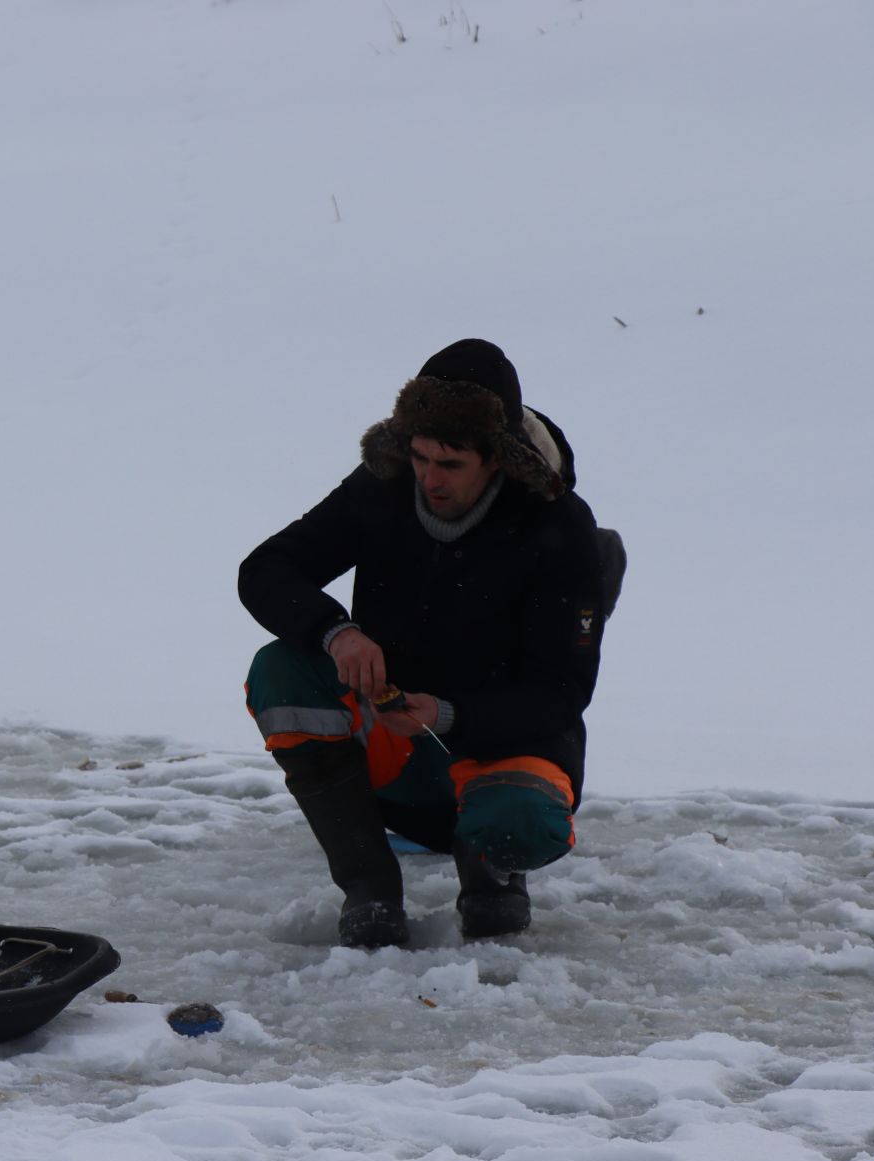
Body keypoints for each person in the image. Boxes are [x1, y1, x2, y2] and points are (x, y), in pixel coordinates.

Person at [238, 339, 621, 948]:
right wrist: (338, 633)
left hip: (500, 744)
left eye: (450, 464)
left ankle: (492, 877)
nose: (429, 479)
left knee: (515, 838)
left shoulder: (557, 525)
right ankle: (368, 887)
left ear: (497, 457)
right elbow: (266, 569)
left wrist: (447, 713)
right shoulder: (384, 485)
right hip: (396, 746)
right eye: (419, 458)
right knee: (280, 669)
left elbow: (561, 691)